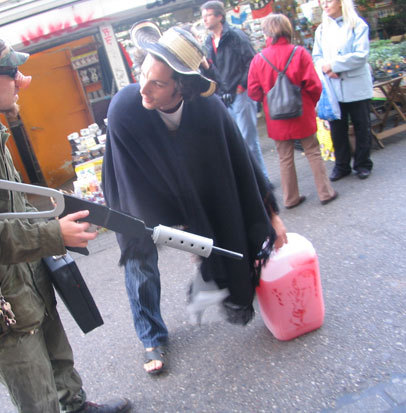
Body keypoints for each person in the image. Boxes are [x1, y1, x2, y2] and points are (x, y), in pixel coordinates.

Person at [0, 34, 131, 413]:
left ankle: (77, 406)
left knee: (57, 356)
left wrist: (50, 217)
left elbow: (11, 206)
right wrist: (54, 234)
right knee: (34, 390)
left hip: (26, 274)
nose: (21, 80)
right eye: (12, 72)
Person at [102, 21, 287, 376]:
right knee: (139, 254)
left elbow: (241, 163)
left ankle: (217, 278)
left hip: (192, 185)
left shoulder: (209, 109)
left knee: (222, 233)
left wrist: (272, 218)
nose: (144, 87)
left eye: (157, 83)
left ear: (182, 87)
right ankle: (151, 336)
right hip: (136, 186)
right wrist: (185, 225)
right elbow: (140, 177)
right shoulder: (126, 107)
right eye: (142, 74)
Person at [247, 14, 338, 208]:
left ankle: (290, 198)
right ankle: (325, 192)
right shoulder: (300, 52)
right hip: (301, 110)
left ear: (267, 33)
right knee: (312, 151)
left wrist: (268, 99)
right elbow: (314, 85)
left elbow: (253, 92)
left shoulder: (258, 59)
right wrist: (309, 104)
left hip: (276, 116)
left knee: (284, 157)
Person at [200, 0, 270, 182]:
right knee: (237, 141)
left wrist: (242, 85)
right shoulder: (208, 41)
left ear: (219, 16)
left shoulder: (236, 36)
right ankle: (257, 180)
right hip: (225, 96)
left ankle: (261, 181)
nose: (204, 20)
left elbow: (252, 62)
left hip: (240, 93)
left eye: (207, 15)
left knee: (249, 140)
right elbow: (214, 69)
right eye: (203, 16)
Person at [312, 0, 374, 181]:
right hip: (334, 88)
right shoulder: (321, 30)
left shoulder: (357, 24)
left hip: (356, 86)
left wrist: (333, 66)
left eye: (328, 1)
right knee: (337, 129)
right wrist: (324, 68)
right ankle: (342, 165)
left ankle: (363, 164)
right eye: (321, 2)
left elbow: (361, 55)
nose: (324, 5)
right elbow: (316, 56)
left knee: (362, 125)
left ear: (340, 3)